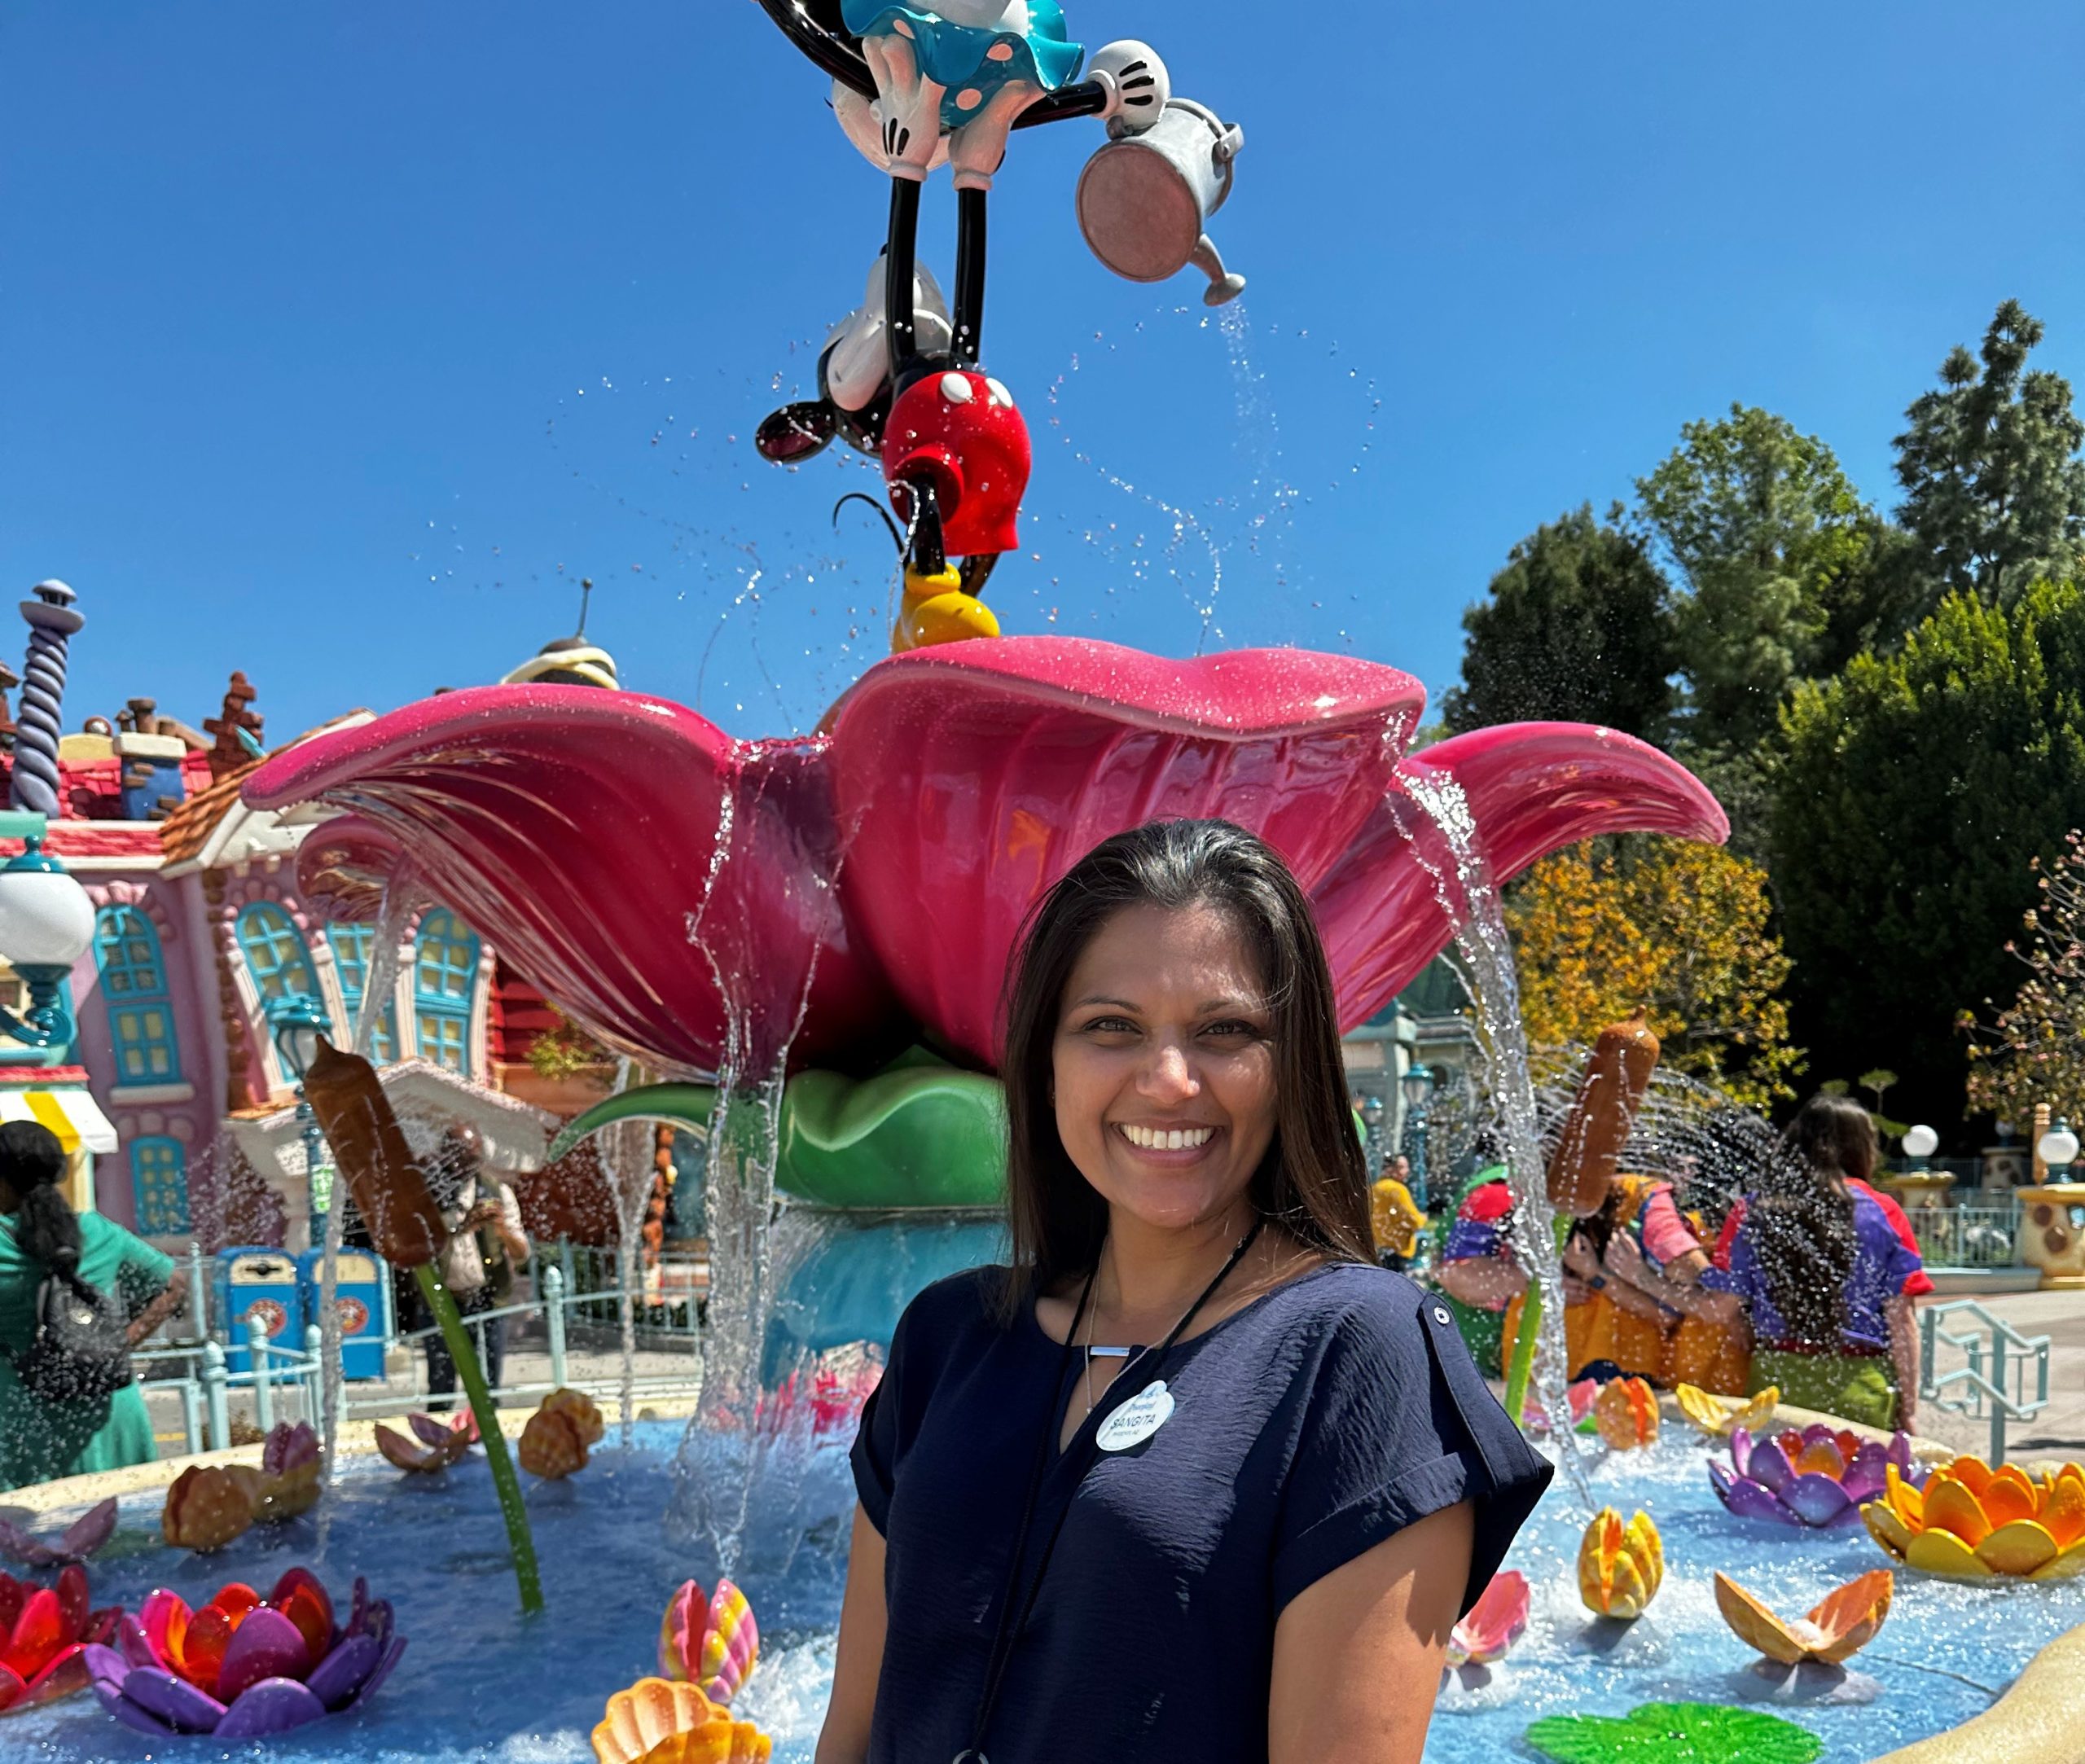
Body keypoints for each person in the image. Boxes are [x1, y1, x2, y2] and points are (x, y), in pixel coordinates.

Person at [818, 820, 1550, 1764]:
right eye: (1109, 1027)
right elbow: (851, 1728)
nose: (1168, 1082)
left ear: (1290, 1069)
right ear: (1045, 1064)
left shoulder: (1361, 1352)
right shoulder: (948, 1337)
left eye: (1226, 1031)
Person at [1697, 1095, 1924, 1431]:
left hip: (1775, 1387)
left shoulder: (1751, 1211)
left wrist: (1638, 1277)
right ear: (1862, 1148)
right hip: (1861, 1387)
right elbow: (1901, 1321)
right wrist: (1910, 1409)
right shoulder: (1885, 1213)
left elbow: (1724, 1306)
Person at [0, 1121, 188, 1489]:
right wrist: (119, 1342)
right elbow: (174, 1286)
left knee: (29, 1541)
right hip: (107, 1409)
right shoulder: (96, 1230)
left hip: (18, 1418)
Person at [419, 1127, 529, 1404]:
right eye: (456, 1155)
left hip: (488, 1296)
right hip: (443, 1298)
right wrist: (463, 1227)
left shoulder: (496, 1191)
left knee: (489, 1380)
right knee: (442, 1380)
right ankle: (444, 1436)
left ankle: (488, 1437)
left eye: (469, 1156)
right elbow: (421, 1245)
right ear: (444, 1155)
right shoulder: (428, 1193)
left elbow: (522, 1254)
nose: (461, 1164)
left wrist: (502, 1228)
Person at [1370, 1152, 1428, 1273]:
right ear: (1390, 1169)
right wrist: (1423, 1218)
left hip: (1379, 1249)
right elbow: (1414, 1221)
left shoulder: (1375, 1188)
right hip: (1398, 1252)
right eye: (1401, 1167)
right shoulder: (1398, 1189)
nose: (1406, 1171)